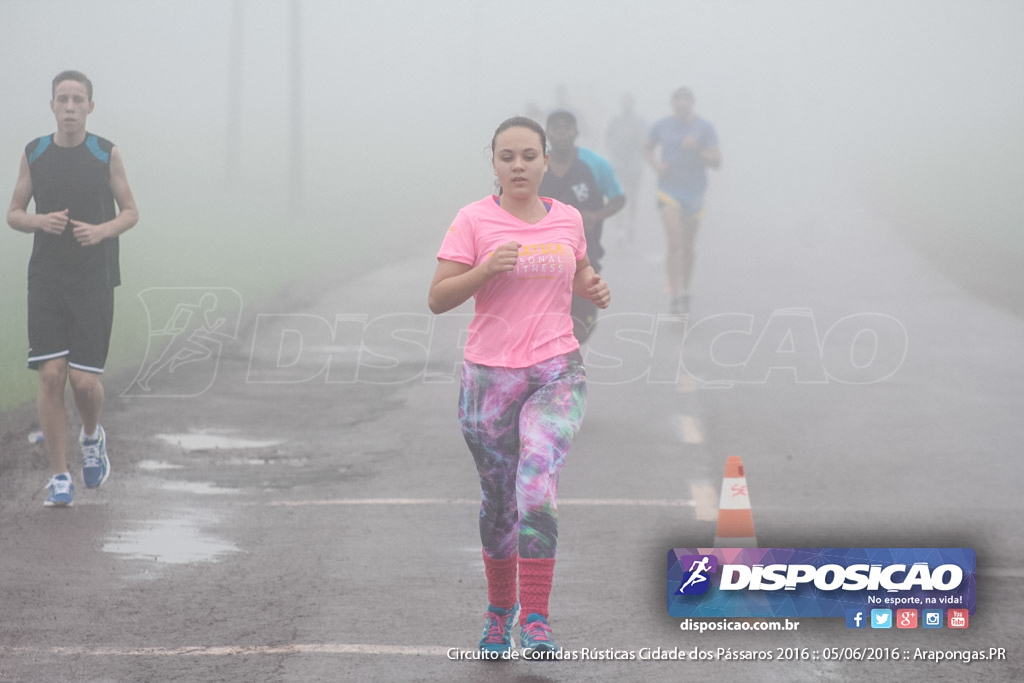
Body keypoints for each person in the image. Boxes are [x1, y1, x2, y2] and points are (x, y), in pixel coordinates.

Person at [428, 116, 610, 658]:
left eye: (529, 155)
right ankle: (498, 612)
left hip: (557, 368)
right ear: (494, 163)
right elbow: (438, 298)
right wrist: (484, 270)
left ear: (545, 161)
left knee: (535, 486)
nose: (519, 165)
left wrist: (592, 285)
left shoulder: (568, 219)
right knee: (499, 505)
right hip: (488, 379)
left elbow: (578, 269)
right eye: (507, 156)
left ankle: (535, 619)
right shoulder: (473, 221)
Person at [6, 70, 139, 507]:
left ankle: (92, 436)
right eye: (61, 99)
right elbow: (14, 212)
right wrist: (38, 222)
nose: (69, 107)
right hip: (46, 278)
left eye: (77, 99)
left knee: (83, 383)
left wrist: (101, 231)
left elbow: (131, 212)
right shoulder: (36, 152)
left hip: (92, 278)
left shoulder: (105, 153)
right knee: (50, 374)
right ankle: (60, 476)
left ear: (89, 107)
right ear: (51, 105)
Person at [539, 110, 624, 343]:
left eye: (567, 127)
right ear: (547, 133)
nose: (562, 133)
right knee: (545, 324)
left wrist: (596, 215)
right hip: (542, 260)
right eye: (556, 128)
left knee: (582, 325)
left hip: (585, 256)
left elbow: (618, 199)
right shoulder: (536, 166)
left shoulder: (594, 164)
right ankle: (555, 369)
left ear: (576, 132)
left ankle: (565, 359)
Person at [644, 86, 721, 314]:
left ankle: (686, 289)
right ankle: (675, 293)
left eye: (686, 100)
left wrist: (698, 149)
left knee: (688, 246)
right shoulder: (662, 125)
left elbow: (717, 161)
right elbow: (647, 148)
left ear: (693, 103)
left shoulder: (705, 128)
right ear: (672, 103)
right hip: (669, 190)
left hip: (695, 192)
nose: (682, 104)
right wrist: (656, 166)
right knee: (675, 241)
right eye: (678, 100)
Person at [604, 94, 647, 244]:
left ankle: (631, 223)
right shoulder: (615, 121)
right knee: (618, 195)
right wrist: (619, 140)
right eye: (625, 102)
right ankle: (619, 229)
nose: (627, 105)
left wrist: (634, 138)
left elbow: (646, 143)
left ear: (633, 104)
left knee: (633, 196)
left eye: (630, 102)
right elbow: (607, 140)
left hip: (634, 164)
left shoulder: (640, 122)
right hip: (619, 164)